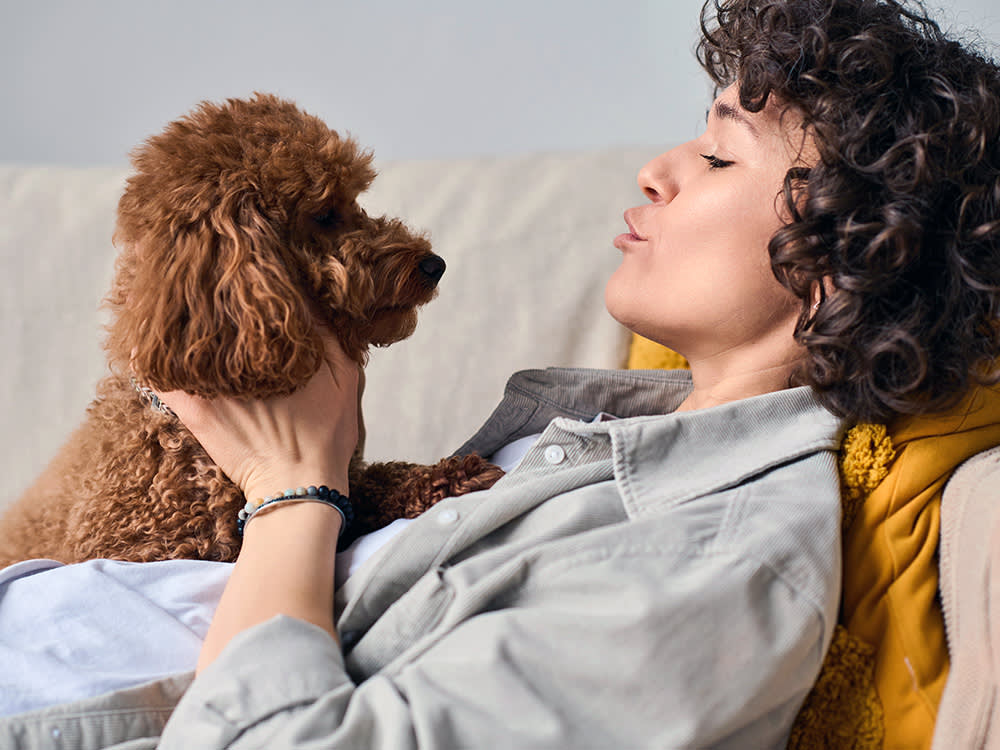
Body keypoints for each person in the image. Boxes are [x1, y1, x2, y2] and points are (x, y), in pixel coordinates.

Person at [1, 0, 998, 747]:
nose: (657, 167)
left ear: (845, 264)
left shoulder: (715, 562)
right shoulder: (583, 443)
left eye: (719, 158)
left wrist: (295, 490)